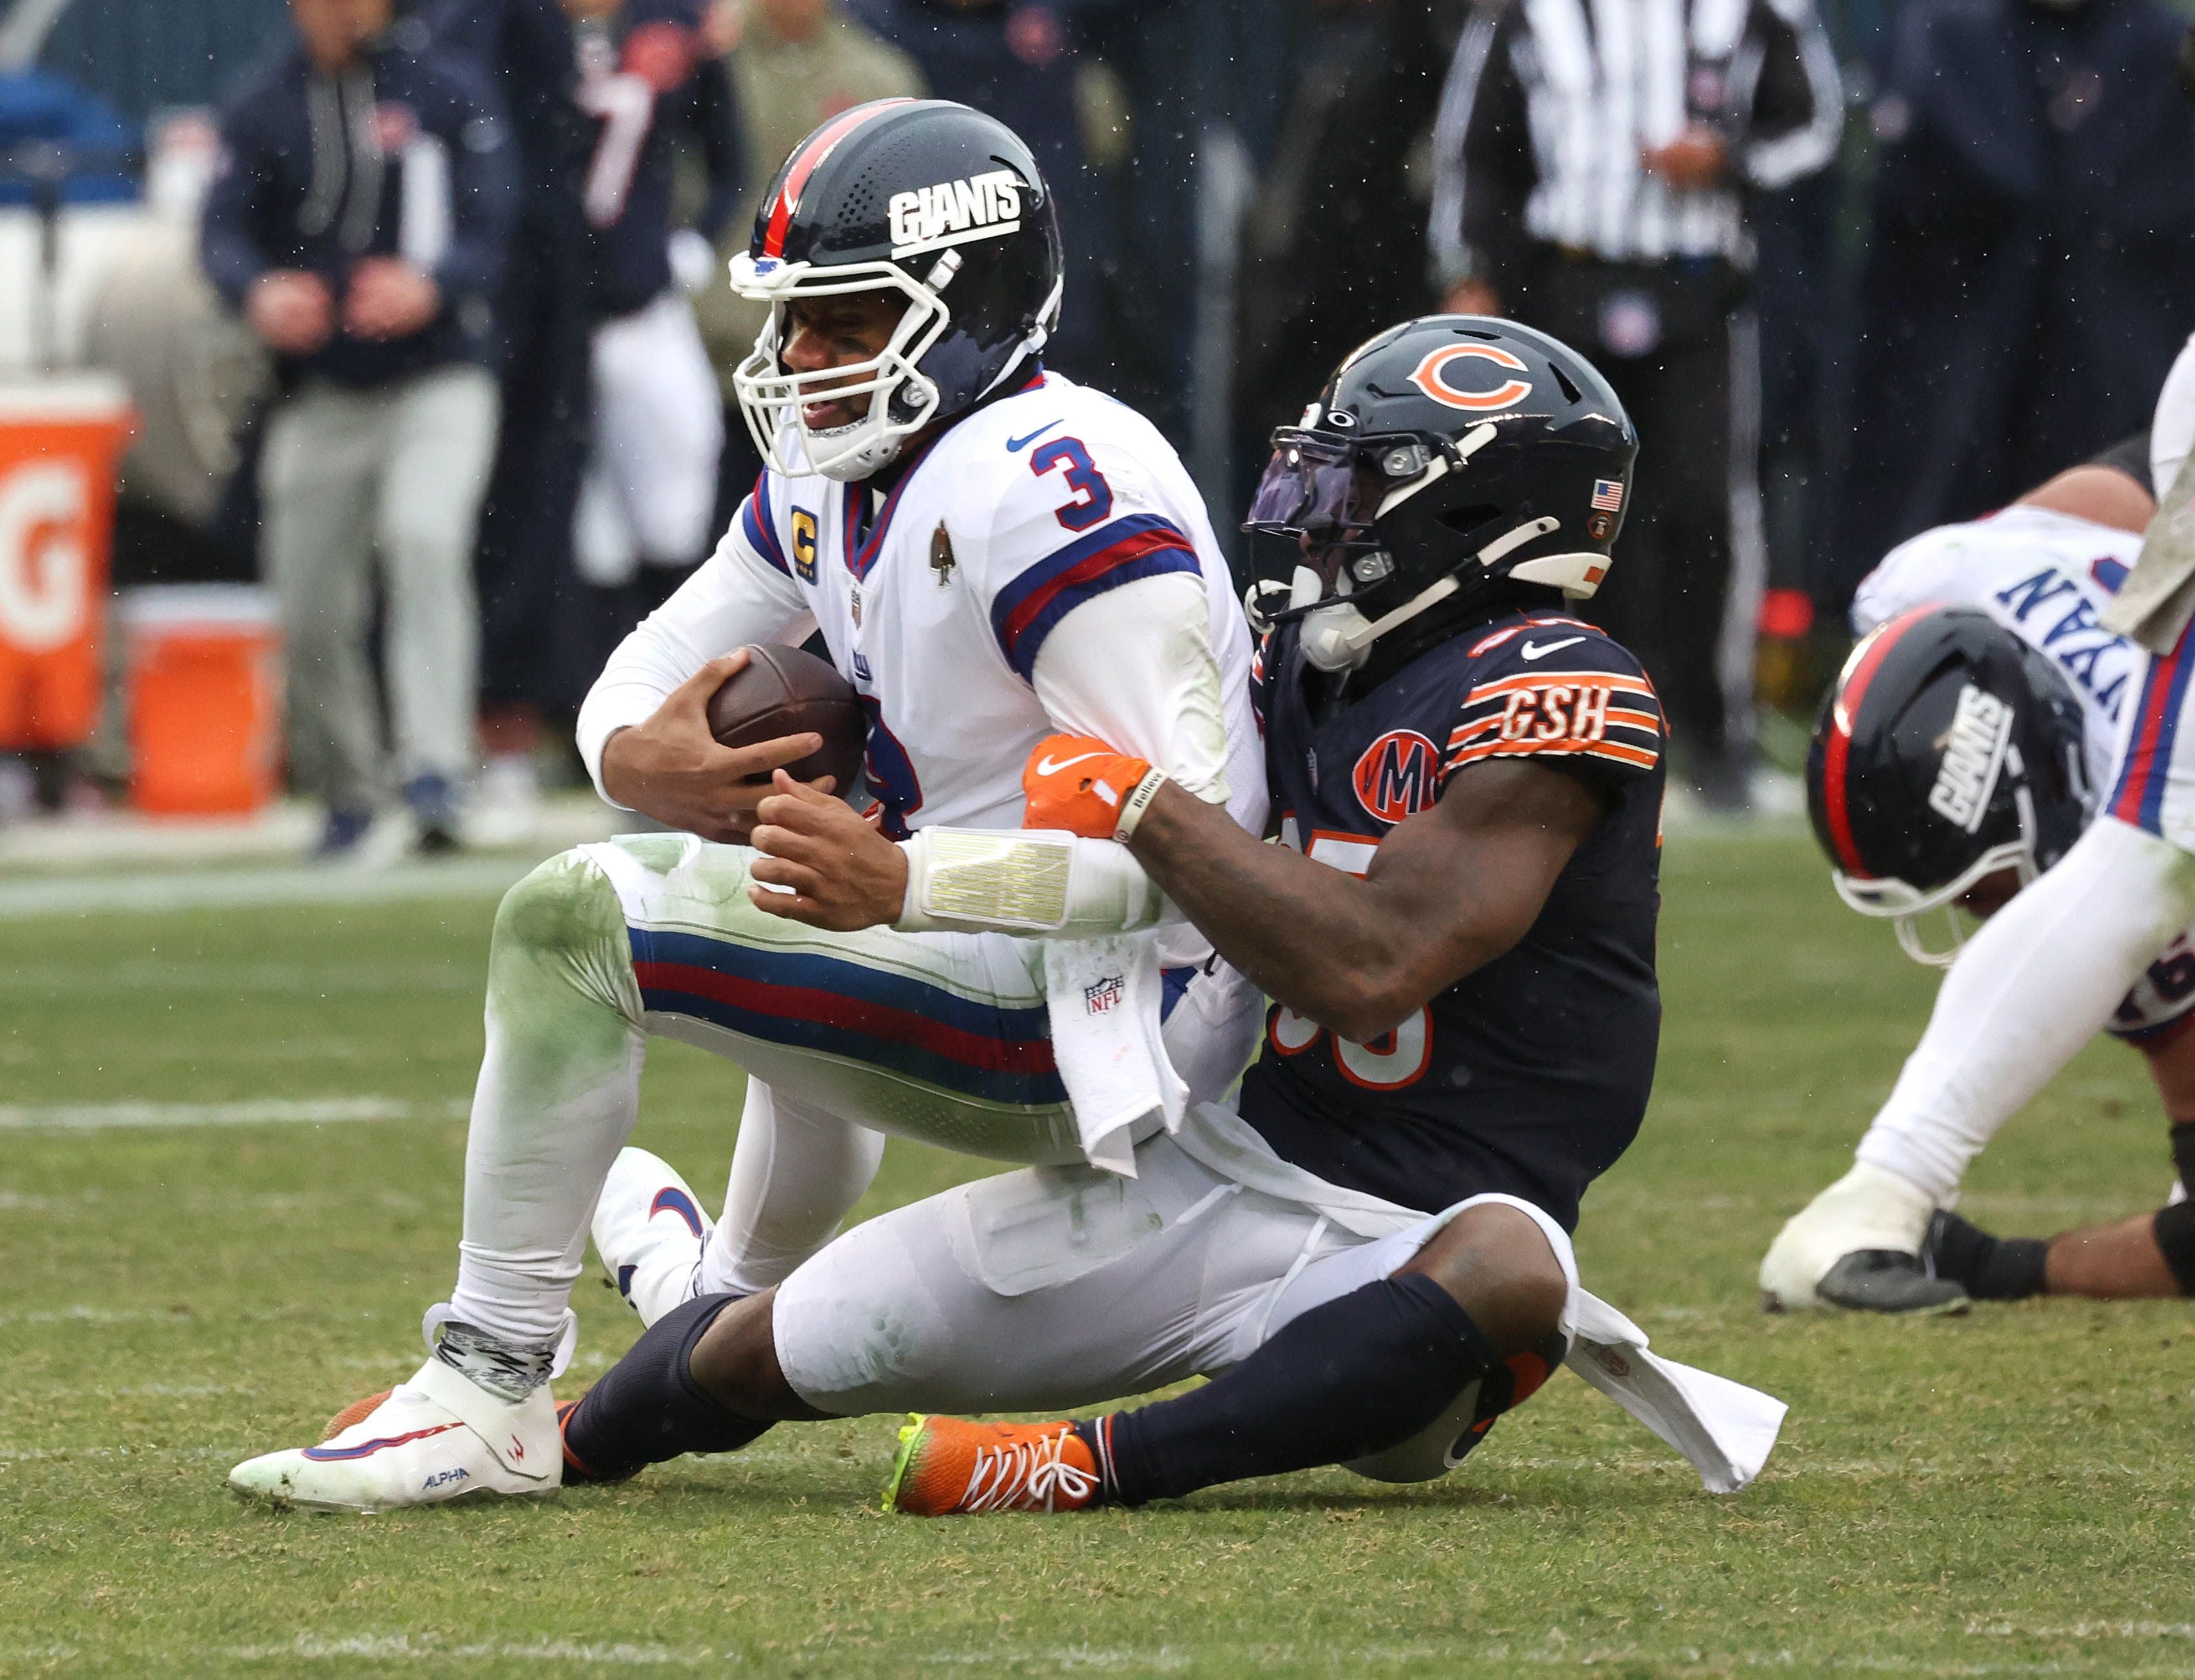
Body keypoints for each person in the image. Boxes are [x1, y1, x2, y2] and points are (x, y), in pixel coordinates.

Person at [225, 97, 1273, 1512]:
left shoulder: (1055, 494)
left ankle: (487, 1379)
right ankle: (715, 1303)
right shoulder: (849, 465)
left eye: (841, 319)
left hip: (1109, 1015)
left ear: (963, 307)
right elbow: (654, 662)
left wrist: (906, 883)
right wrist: (631, 762)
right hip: (984, 949)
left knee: (571, 918)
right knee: (773, 847)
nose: (801, 359)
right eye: (793, 320)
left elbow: (1187, 871)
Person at [545, 317, 1783, 1513]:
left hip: (1420, 1233)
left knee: (1515, 1269)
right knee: (772, 1350)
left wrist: (1142, 805)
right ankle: (559, 1422)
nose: (1314, 519)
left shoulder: (1562, 691)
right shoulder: (1303, 658)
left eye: (1354, 489)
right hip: (1225, 1163)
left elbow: (1373, 965)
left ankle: (1081, 1465)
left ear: (1469, 514)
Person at [1762, 438, 2195, 1309]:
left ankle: (1886, 1192)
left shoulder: (1923, 577)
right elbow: (2144, 470)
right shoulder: (1931, 580)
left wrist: (1997, 1264)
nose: (1980, 911)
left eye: (1980, 883)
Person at [1427, 0, 1840, 806]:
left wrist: (1727, 157)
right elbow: (1473, 145)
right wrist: (1470, 266)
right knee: (1569, 519)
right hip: (1564, 282)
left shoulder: (1757, 9)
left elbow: (1815, 123)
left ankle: (1715, 738)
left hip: (1697, 285)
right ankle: (1563, 726)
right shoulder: (1528, 12)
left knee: (1706, 508)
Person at [201, 0, 519, 856]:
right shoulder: (264, 102)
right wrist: (258, 291)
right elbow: (221, 229)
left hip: (438, 377)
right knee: (306, 599)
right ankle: (347, 783)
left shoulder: (443, 89)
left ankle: (436, 769)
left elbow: (494, 225)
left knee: (422, 538)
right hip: (322, 392)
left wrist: (433, 284)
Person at [1823, 0, 2195, 612]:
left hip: (2117, 384)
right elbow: (1908, 236)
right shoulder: (1947, 41)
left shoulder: (2156, 49)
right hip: (1962, 383)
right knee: (1939, 599)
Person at [694, 0, 925, 523]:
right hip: (714, 329)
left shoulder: (878, 73)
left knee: (835, 513)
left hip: (832, 350)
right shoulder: (708, 60)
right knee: (695, 519)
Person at [567, 0, 745, 674]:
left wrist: (693, 244)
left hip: (646, 308)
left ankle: (677, 686)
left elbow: (731, 154)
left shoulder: (673, 19)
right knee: (587, 524)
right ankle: (588, 701)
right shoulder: (519, 25)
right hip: (556, 317)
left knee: (678, 505)